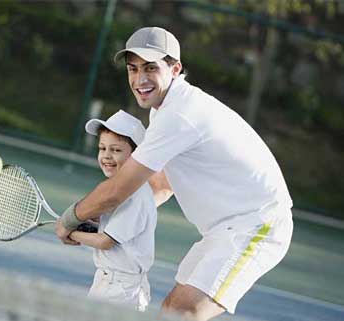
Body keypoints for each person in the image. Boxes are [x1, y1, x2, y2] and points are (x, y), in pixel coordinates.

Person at [55, 27, 293, 321]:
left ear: (175, 68)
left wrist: (72, 217)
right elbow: (162, 183)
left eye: (150, 68)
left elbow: (118, 189)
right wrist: (112, 217)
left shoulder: (178, 115)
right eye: (133, 69)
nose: (139, 79)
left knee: (182, 313)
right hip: (224, 229)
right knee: (171, 310)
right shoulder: (164, 110)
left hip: (257, 225)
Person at [68, 110, 157, 312]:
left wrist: (71, 231)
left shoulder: (136, 196)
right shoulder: (122, 190)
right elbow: (111, 231)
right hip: (113, 283)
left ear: (136, 156)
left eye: (116, 150)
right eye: (102, 148)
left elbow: (106, 242)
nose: (106, 156)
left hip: (119, 289)